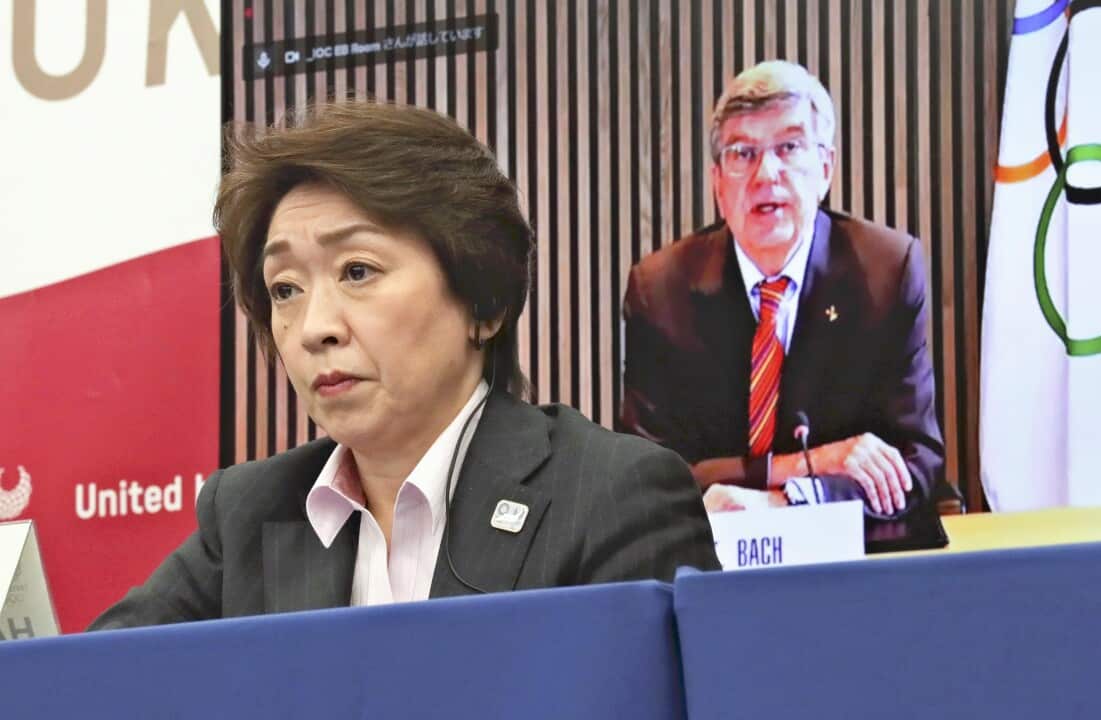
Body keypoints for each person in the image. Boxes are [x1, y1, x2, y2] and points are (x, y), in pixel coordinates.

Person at [91, 101, 718, 629]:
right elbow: (85, 687)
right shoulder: (249, 513)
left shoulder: (614, 495)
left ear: (484, 302)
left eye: (357, 272)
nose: (314, 329)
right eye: (285, 289)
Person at [620, 61, 945, 517]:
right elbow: (645, 477)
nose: (765, 174)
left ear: (825, 167)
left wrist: (786, 501)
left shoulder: (886, 272)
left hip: (846, 566)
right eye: (742, 153)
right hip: (711, 565)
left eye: (789, 146)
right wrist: (812, 464)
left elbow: (917, 464)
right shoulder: (660, 291)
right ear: (717, 183)